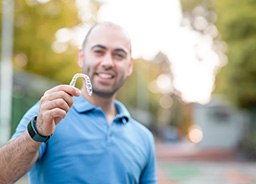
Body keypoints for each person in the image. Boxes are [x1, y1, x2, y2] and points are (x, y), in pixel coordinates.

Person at [0, 22, 157, 184]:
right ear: (81, 58)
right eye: (99, 51)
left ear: (129, 66)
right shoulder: (47, 114)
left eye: (118, 55)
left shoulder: (144, 138)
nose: (107, 62)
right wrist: (37, 132)